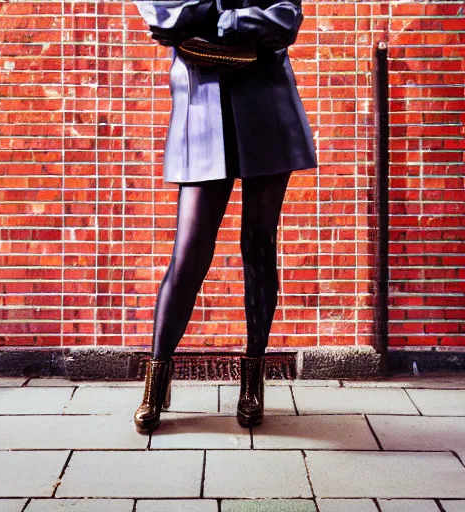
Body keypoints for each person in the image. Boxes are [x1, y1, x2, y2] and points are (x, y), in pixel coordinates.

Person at [132, 0, 317, 434]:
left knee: (258, 246)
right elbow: (164, 17)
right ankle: (157, 381)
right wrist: (232, 13)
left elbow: (284, 20)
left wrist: (218, 20)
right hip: (201, 112)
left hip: (268, 107)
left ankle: (252, 381)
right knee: (190, 253)